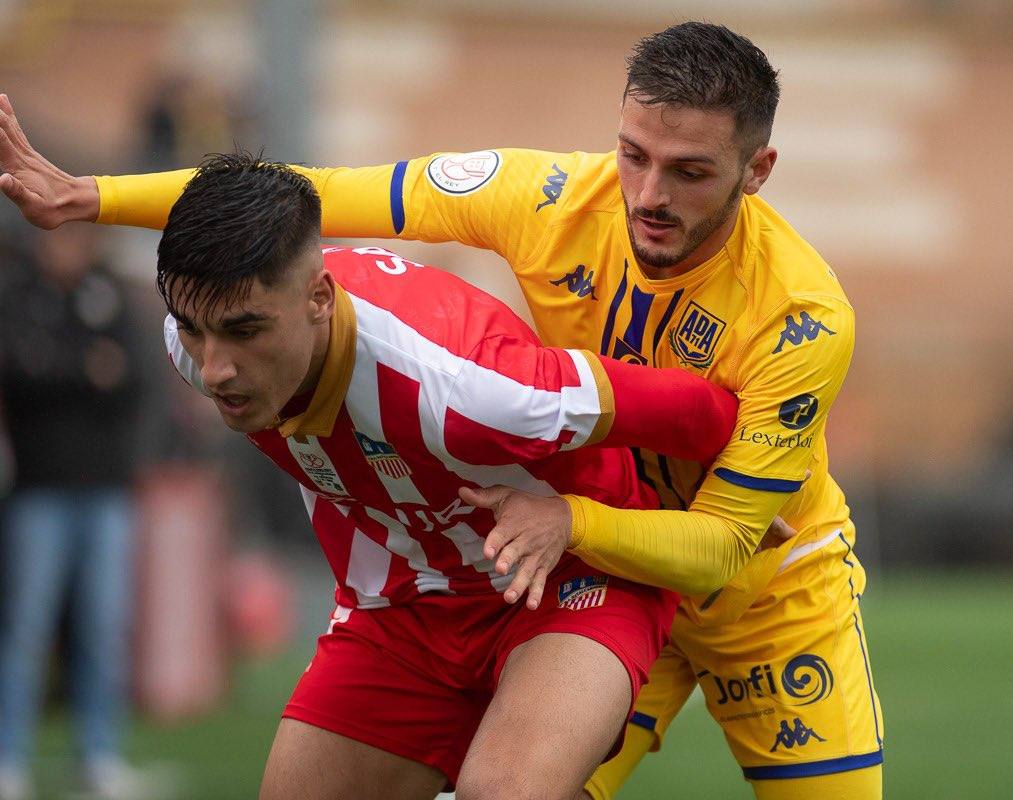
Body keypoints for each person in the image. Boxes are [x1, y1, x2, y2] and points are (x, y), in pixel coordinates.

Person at [0, 21, 883, 799]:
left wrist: (567, 520)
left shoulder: (803, 316)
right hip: (591, 551)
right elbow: (318, 194)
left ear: (757, 170)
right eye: (633, 154)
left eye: (690, 172)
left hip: (756, 589)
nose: (648, 196)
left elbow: (725, 545)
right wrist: (92, 198)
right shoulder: (546, 199)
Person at [2, 149, 740, 800]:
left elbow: (700, 411)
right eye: (194, 329)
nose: (217, 367)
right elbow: (213, 333)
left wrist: (751, 488)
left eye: (246, 330)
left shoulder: (469, 385)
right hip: (404, 608)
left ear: (319, 301)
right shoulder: (195, 347)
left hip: (571, 577)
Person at [0, 225, 155, 800]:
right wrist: (86, 369)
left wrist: (68, 370)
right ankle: (9, 756)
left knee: (104, 626)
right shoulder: (18, 296)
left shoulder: (108, 294)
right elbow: (22, 372)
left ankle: (99, 754)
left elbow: (134, 374)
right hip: (39, 489)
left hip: (107, 490)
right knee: (26, 627)